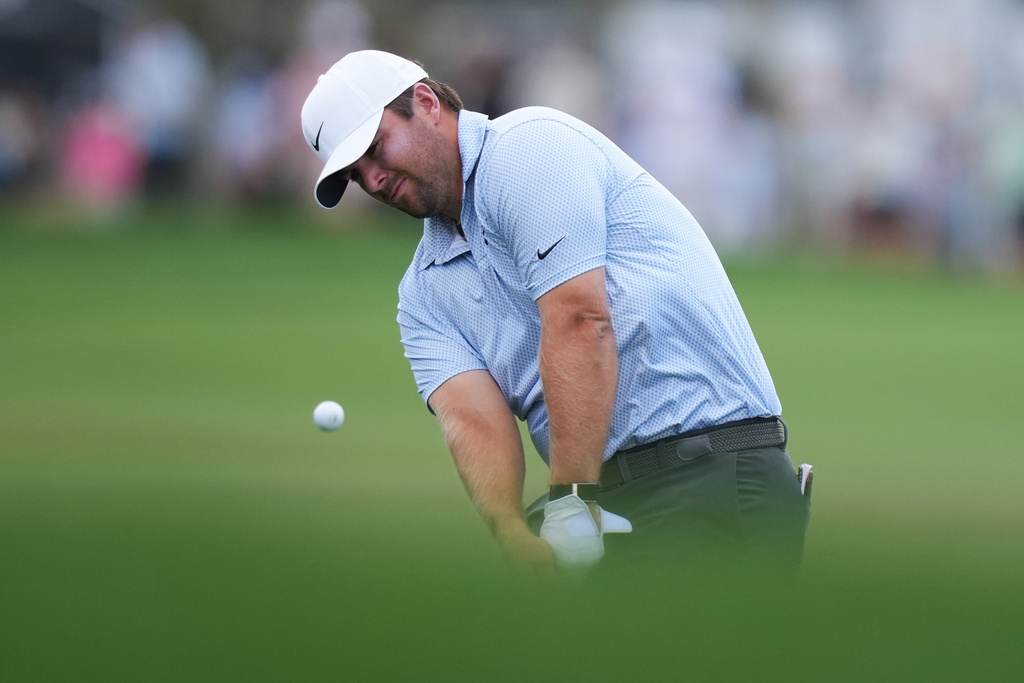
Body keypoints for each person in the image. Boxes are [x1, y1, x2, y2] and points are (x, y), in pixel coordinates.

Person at [300, 50, 811, 579]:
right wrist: (513, 535)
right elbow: (472, 418)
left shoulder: (526, 148)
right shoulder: (423, 294)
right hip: (603, 498)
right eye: (357, 175)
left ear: (426, 103)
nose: (375, 180)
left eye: (376, 150)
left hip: (711, 472)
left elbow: (581, 322)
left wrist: (569, 500)